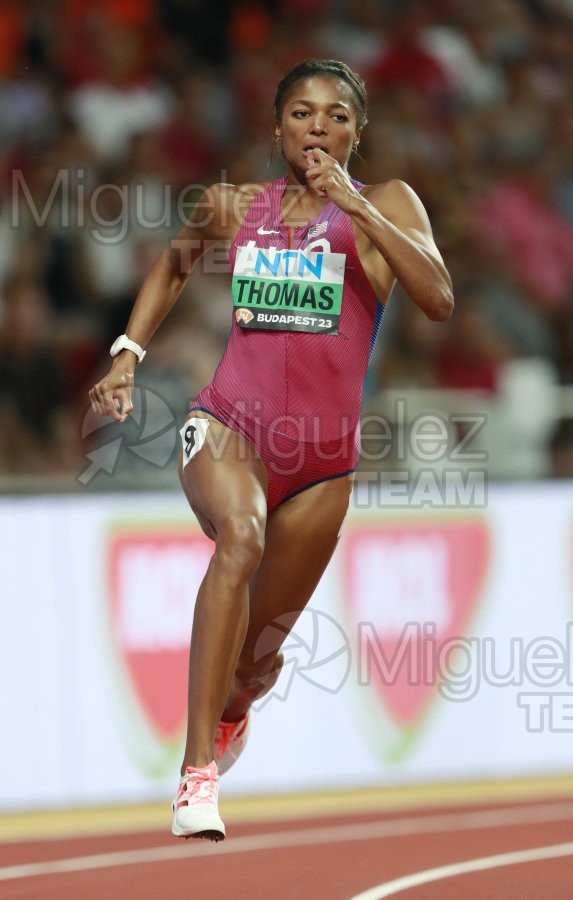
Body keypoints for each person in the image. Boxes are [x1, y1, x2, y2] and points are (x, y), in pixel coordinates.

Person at [89, 58, 454, 842]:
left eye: (335, 116)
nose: (317, 127)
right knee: (240, 537)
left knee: (253, 664)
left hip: (324, 465)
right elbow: (174, 262)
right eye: (300, 112)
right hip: (228, 427)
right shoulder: (230, 206)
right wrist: (127, 353)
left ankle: (235, 709)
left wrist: (355, 205)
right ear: (276, 125)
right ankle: (194, 775)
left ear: (358, 131)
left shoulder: (386, 204)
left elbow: (438, 298)